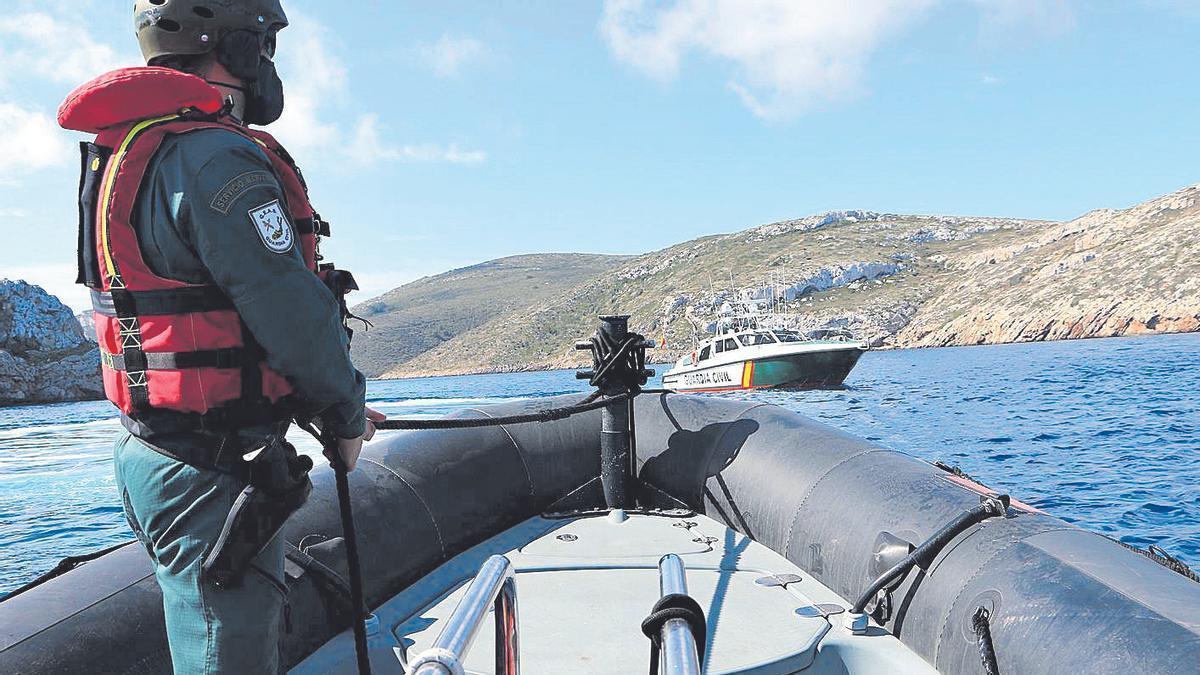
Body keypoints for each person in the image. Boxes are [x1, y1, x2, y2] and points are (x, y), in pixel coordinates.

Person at [58, 1, 385, 672]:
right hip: (210, 478)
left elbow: (210, 310)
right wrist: (345, 415)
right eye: (263, 45)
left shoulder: (130, 150)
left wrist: (323, 408)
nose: (267, 62)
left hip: (154, 452)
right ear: (233, 49)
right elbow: (289, 310)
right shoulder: (213, 158)